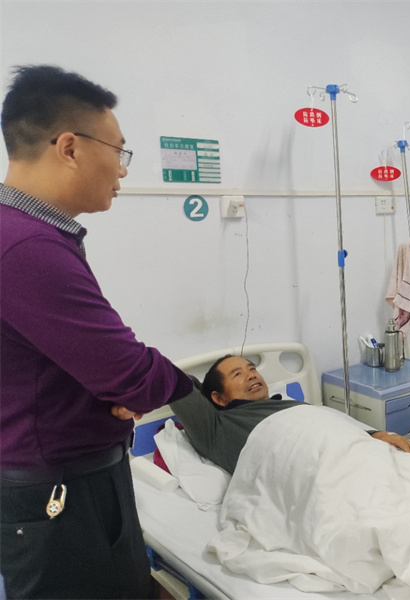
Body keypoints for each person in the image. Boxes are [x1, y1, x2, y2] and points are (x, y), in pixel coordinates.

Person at [0, 65, 194, 599]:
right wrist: (168, 384)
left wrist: (118, 383)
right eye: (119, 150)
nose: (123, 169)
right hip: (59, 492)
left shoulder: (26, 235)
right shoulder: (26, 247)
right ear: (69, 147)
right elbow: (132, 374)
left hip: (57, 475)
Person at [167, 355, 410, 474]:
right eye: (237, 374)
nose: (252, 375)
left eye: (252, 368)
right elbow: (172, 379)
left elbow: (331, 428)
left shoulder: (291, 407)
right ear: (218, 398)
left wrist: (375, 434)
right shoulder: (218, 428)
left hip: (361, 456)